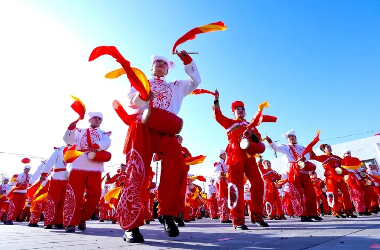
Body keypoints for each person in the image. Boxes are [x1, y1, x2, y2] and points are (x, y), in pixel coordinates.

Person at [116, 51, 201, 243]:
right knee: (137, 171)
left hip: (166, 129)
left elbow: (195, 81)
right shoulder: (142, 82)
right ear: (152, 67)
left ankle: (168, 215)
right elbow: (131, 100)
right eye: (157, 63)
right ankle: (131, 225)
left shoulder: (177, 86)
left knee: (177, 167)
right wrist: (144, 96)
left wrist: (187, 60)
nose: (161, 65)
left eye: (164, 63)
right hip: (143, 126)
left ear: (169, 68)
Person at [212, 90, 268, 229]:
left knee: (259, 183)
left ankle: (257, 216)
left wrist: (252, 135)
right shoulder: (229, 122)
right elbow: (218, 116)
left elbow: (259, 139)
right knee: (235, 187)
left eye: (242, 109)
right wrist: (216, 100)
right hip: (235, 155)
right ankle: (238, 220)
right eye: (237, 109)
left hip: (249, 156)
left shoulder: (251, 125)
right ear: (233, 113)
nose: (240, 111)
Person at [63, 112, 111, 232]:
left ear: (101, 121)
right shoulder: (80, 131)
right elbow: (68, 140)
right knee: (74, 194)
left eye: (99, 118)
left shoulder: (104, 134)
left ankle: (83, 218)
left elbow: (107, 143)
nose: (97, 119)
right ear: (89, 120)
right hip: (78, 165)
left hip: (95, 167)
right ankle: (71, 222)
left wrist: (96, 145)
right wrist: (71, 128)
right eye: (94, 118)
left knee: (95, 195)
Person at [266, 130, 322, 222]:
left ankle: (313, 214)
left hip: (303, 169)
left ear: (296, 138)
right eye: (289, 137)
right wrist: (270, 141)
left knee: (310, 192)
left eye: (293, 136)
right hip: (292, 169)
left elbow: (308, 154)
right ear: (287, 139)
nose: (291, 138)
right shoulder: (284, 147)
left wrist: (304, 158)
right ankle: (302, 215)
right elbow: (275, 148)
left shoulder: (302, 147)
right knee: (297, 193)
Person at [312, 144, 355, 218]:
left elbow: (344, 163)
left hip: (339, 177)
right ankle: (336, 211)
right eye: (327, 147)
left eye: (330, 147)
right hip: (330, 178)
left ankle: (348, 211)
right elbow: (313, 157)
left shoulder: (337, 157)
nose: (330, 148)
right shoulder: (323, 157)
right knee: (333, 193)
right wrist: (310, 148)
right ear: (324, 149)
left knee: (345, 192)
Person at [41, 146, 70, 229]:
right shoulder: (59, 150)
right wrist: (44, 173)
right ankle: (49, 222)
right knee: (52, 200)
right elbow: (50, 162)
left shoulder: (76, 149)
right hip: (56, 177)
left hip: (69, 179)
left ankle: (60, 222)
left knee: (65, 201)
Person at [213, 150, 231, 223]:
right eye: (224, 154)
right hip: (220, 182)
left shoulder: (227, 163)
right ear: (220, 155)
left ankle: (226, 217)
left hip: (226, 182)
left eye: (225, 154)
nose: (225, 155)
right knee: (222, 199)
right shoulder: (217, 163)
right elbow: (216, 173)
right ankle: (223, 217)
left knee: (227, 200)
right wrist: (224, 174)